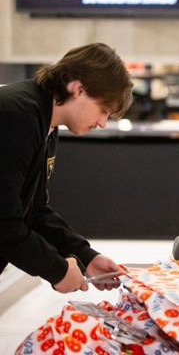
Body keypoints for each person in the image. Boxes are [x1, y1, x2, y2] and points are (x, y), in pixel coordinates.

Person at [0, 42, 133, 293]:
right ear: (78, 89)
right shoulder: (17, 114)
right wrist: (57, 270)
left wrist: (86, 256)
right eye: (103, 110)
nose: (103, 123)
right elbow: (4, 221)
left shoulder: (46, 122)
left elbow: (34, 210)